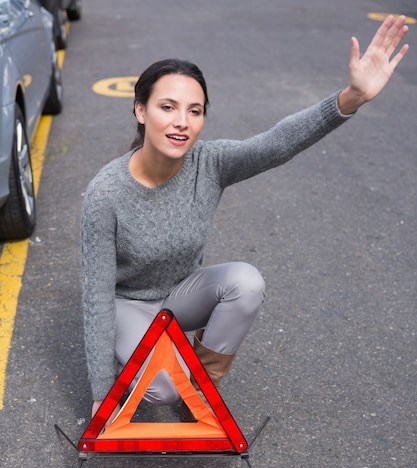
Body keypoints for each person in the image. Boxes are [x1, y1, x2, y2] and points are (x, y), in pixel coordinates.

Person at [81, 15, 409, 426]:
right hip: (127, 303)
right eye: (168, 107)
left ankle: (198, 390)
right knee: (160, 391)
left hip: (180, 297)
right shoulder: (105, 193)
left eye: (194, 110)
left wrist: (350, 98)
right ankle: (171, 376)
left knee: (246, 282)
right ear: (141, 110)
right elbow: (94, 298)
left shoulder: (210, 163)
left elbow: (278, 143)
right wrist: (101, 393)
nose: (182, 121)